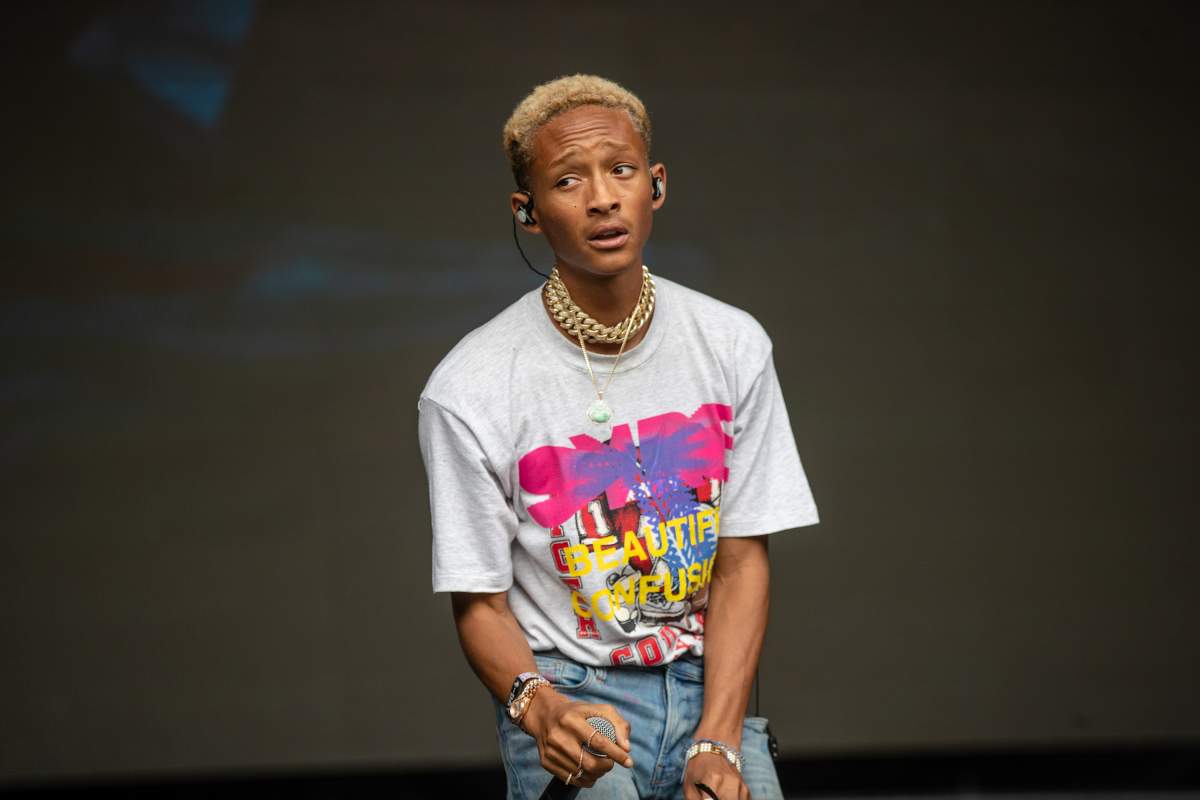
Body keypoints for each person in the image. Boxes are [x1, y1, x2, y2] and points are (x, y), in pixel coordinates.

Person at [417, 74, 819, 800]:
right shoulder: (468, 386)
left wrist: (719, 738)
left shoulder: (731, 345)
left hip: (706, 688)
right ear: (528, 211)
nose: (602, 197)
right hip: (575, 691)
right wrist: (542, 708)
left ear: (655, 186)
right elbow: (479, 603)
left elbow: (741, 561)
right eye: (568, 179)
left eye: (621, 170)